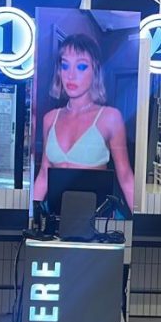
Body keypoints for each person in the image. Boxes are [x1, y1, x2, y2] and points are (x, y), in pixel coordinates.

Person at [34, 33, 135, 211]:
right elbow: (44, 174)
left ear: (95, 71)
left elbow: (126, 176)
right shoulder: (50, 118)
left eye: (81, 66)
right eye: (65, 66)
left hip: (95, 218)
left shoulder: (110, 117)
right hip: (56, 216)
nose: (70, 75)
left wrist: (142, 219)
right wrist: (30, 215)